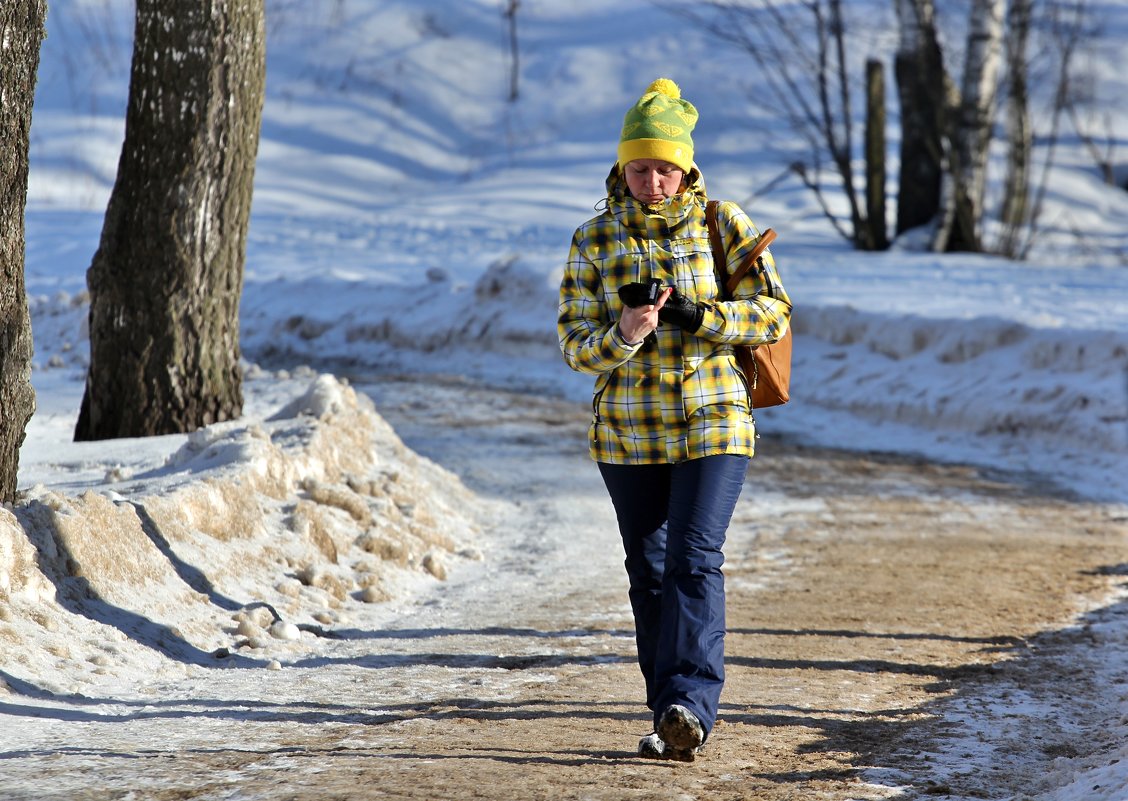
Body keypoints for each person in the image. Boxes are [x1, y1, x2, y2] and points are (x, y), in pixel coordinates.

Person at [556, 78, 791, 761]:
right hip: (628, 431)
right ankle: (671, 714)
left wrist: (699, 316)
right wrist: (625, 332)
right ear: (620, 168)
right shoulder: (594, 237)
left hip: (714, 422)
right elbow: (575, 343)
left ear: (686, 168)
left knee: (694, 557)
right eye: (640, 168)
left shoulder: (723, 222)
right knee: (651, 570)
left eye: (665, 168)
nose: (653, 182)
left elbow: (774, 310)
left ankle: (692, 698)